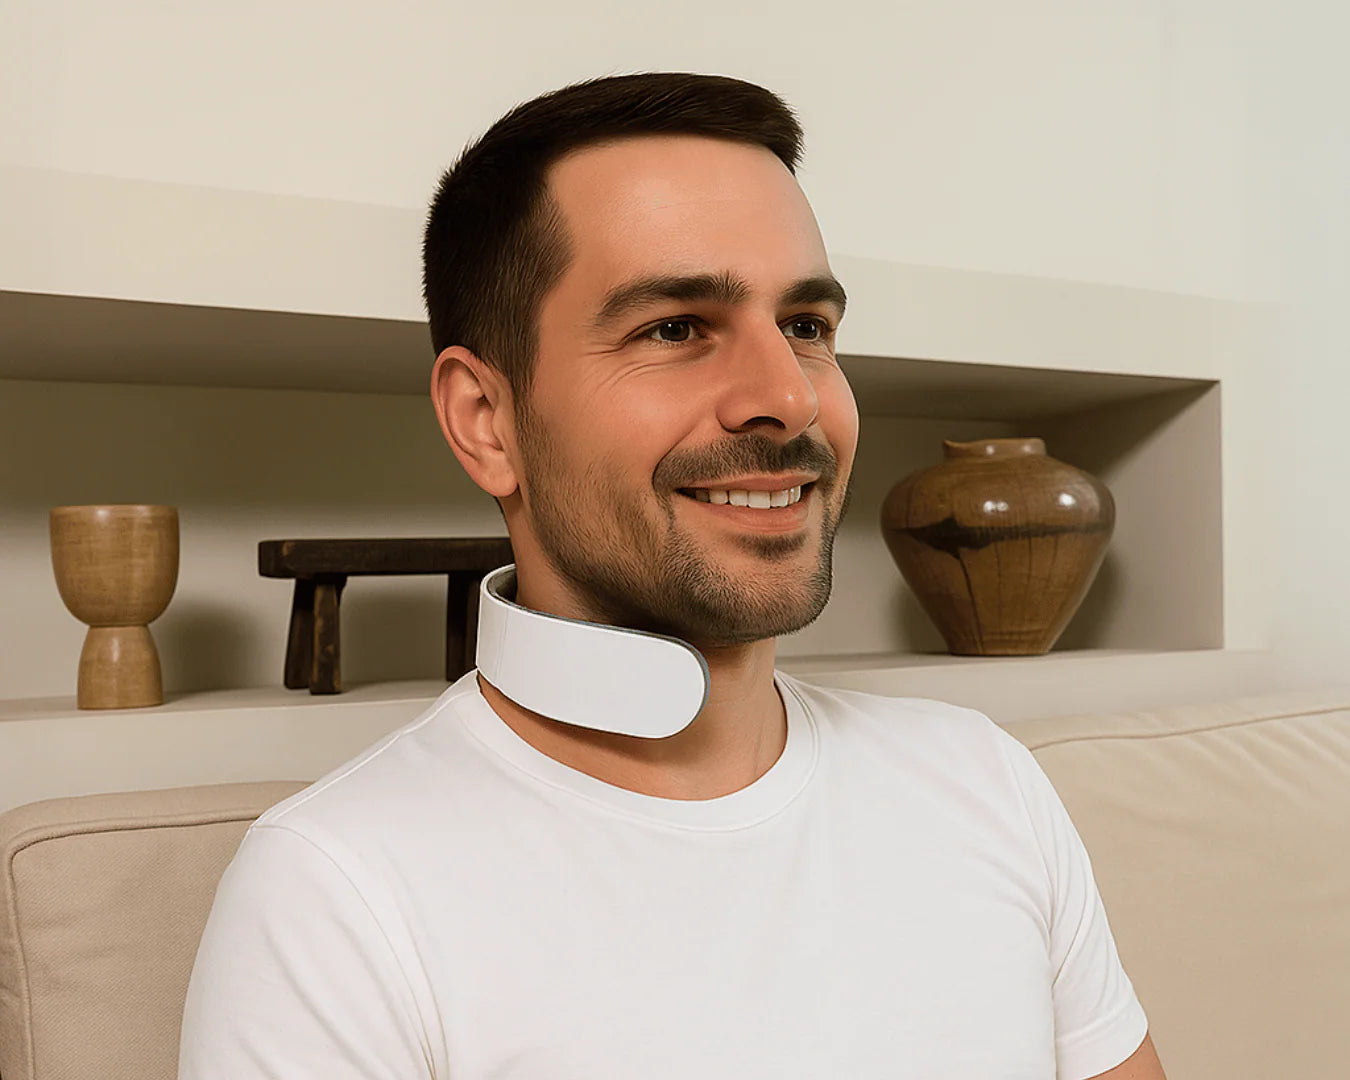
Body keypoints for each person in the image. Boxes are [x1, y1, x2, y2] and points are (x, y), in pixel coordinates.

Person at [179, 73, 1166, 1079]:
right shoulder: (334, 894)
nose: (788, 398)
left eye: (806, 326)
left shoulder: (985, 780)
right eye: (675, 328)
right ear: (487, 423)